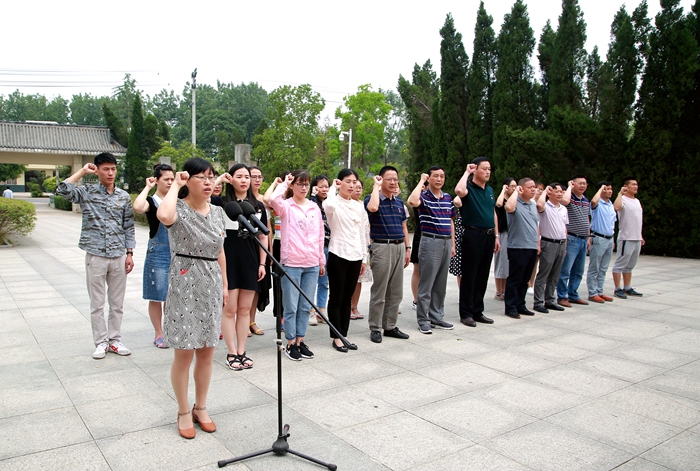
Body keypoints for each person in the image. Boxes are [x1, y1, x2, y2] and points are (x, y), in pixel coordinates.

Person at [157, 157, 227, 439]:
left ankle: (202, 406)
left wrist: (225, 284)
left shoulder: (220, 212)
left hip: (211, 279)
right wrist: (176, 185)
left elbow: (221, 249)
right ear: (188, 180)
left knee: (207, 351)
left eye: (211, 176)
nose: (209, 182)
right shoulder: (178, 208)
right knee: (184, 352)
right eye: (202, 177)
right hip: (185, 279)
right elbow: (163, 216)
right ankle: (183, 410)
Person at [56, 153, 135, 359]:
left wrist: (129, 253)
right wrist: (82, 171)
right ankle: (101, 342)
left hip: (118, 254)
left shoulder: (123, 196)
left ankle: (115, 340)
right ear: (98, 170)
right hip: (96, 254)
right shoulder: (87, 191)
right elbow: (62, 190)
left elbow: (128, 226)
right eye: (106, 169)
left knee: (117, 303)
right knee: (97, 303)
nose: (110, 173)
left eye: (113, 169)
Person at [214, 164, 267, 370]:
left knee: (244, 309)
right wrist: (219, 180)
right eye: (239, 176)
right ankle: (231, 352)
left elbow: (263, 236)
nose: (245, 180)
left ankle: (242, 351)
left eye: (248, 176)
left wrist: (262, 263)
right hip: (227, 260)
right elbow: (204, 195)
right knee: (230, 308)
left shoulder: (258, 206)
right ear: (231, 179)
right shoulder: (221, 204)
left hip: (251, 260)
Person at [269, 171, 325, 361]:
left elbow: (319, 235)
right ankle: (290, 342)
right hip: (291, 263)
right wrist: (285, 182)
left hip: (311, 264)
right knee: (291, 306)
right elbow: (272, 198)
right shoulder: (286, 206)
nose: (303, 187)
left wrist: (320, 260)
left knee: (305, 306)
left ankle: (300, 340)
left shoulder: (314, 207)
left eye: (306, 184)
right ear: (293, 186)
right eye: (299, 184)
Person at [323, 169, 368, 352]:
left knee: (347, 299)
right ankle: (336, 337)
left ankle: (345, 334)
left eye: (354, 182)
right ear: (340, 182)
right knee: (336, 297)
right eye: (347, 181)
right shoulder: (333, 203)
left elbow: (362, 234)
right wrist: (333, 188)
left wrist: (364, 258)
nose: (351, 185)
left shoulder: (358, 206)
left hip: (356, 255)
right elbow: (328, 205)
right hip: (338, 253)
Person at [364, 166, 410, 343]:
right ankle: (375, 327)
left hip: (399, 246)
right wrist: (375, 187)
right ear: (381, 179)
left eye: (395, 179)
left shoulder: (399, 203)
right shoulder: (372, 199)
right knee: (380, 290)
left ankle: (390, 325)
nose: (393, 182)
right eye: (389, 179)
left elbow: (404, 227)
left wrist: (407, 248)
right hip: (382, 247)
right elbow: (373, 208)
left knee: (396, 291)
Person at [407, 167, 456, 334]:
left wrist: (453, 244)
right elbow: (412, 202)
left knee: (441, 283)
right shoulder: (423, 196)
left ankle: (436, 316)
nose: (439, 179)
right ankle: (423, 319)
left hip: (446, 242)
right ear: (429, 178)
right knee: (426, 283)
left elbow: (450, 221)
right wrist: (421, 181)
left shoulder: (448, 197)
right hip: (430, 241)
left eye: (442, 176)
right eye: (435, 176)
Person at [454, 158, 500, 327]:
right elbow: (458, 190)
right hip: (473, 234)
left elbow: (492, 212)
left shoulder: (489, 190)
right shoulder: (468, 189)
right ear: (476, 170)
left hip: (488, 235)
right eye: (484, 169)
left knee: (482, 275)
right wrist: (467, 172)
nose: (488, 172)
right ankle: (466, 313)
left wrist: (496, 236)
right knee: (470, 275)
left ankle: (477, 311)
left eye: (489, 169)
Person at [133, 164, 175, 348]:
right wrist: (147, 187)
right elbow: (138, 207)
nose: (170, 182)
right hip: (158, 252)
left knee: (173, 295)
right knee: (157, 294)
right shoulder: (152, 201)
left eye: (172, 179)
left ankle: (171, 330)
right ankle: (159, 333)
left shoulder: (176, 200)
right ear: (156, 180)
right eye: (166, 179)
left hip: (177, 251)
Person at [504, 178, 539, 319]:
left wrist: (537, 244)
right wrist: (516, 193)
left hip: (531, 246)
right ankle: (510, 307)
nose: (533, 189)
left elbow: (535, 225)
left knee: (525, 279)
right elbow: (508, 208)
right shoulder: (514, 202)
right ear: (521, 188)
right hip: (518, 247)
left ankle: (520, 304)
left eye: (534, 187)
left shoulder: (533, 204)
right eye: (530, 187)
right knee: (515, 278)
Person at [533, 183, 569, 313]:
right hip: (548, 243)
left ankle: (549, 300)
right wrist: (545, 192)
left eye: (561, 191)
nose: (560, 193)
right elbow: (539, 205)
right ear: (550, 193)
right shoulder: (545, 207)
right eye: (556, 191)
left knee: (555, 274)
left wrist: (565, 244)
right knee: (544, 273)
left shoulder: (563, 209)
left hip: (561, 243)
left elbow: (564, 227)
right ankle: (538, 302)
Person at [556, 175, 591, 307]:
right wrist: (569, 187)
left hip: (583, 239)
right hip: (571, 238)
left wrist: (588, 237)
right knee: (565, 270)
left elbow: (587, 219)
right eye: (579, 183)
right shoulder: (569, 198)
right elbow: (564, 201)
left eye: (584, 184)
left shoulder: (586, 201)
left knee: (578, 270)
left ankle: (573, 294)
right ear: (573, 184)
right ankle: (562, 296)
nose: (582, 186)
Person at [248, 166, 271, 336]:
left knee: (257, 285)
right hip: (242, 246)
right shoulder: (236, 200)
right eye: (253, 176)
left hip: (259, 247)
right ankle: (239, 320)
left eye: (260, 176)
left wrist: (268, 250)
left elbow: (266, 228)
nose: (257, 180)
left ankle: (251, 320)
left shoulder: (263, 203)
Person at [612, 177, 644, 298]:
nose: (636, 186)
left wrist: (640, 236)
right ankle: (617, 288)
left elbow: (637, 220)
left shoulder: (637, 201)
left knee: (630, 265)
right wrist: (620, 193)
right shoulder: (622, 199)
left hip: (636, 237)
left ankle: (627, 287)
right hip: (626, 237)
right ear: (626, 186)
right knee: (620, 263)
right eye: (633, 184)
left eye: (636, 184)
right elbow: (617, 207)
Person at [587, 182, 616, 303]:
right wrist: (600, 189)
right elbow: (593, 202)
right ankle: (592, 293)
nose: (609, 191)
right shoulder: (597, 203)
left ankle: (599, 290)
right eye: (606, 189)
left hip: (609, 238)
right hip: (598, 238)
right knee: (595, 267)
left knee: (603, 268)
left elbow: (612, 222)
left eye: (610, 189)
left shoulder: (610, 205)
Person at [309, 175, 331, 325]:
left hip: (330, 245)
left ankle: (321, 309)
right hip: (315, 247)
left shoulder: (331, 203)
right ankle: (310, 310)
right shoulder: (311, 203)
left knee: (324, 281)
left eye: (326, 186)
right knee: (311, 281)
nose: (324, 189)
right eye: (320, 186)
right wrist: (312, 195)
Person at [494, 178, 516, 301]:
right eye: (511, 186)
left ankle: (506, 290)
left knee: (508, 263)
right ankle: (499, 291)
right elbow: (498, 204)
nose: (514, 188)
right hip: (502, 233)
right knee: (500, 263)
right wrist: (503, 190)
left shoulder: (515, 200)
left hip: (513, 233)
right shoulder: (502, 199)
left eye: (515, 186)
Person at [351, 179, 370, 319]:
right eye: (355, 187)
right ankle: (347, 307)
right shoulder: (345, 204)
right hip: (348, 246)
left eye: (360, 187)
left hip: (363, 247)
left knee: (359, 279)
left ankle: (354, 307)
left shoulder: (363, 205)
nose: (358, 190)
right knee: (349, 280)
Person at [527, 182, 546, 295]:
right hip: (530, 236)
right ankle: (528, 283)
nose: (539, 191)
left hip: (539, 235)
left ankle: (531, 283)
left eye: (541, 189)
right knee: (530, 262)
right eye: (537, 189)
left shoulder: (543, 203)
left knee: (536, 262)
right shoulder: (531, 202)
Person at [448, 196, 463, 287]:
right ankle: (462, 295)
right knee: (460, 268)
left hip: (475, 237)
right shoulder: (462, 201)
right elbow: (456, 200)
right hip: (460, 238)